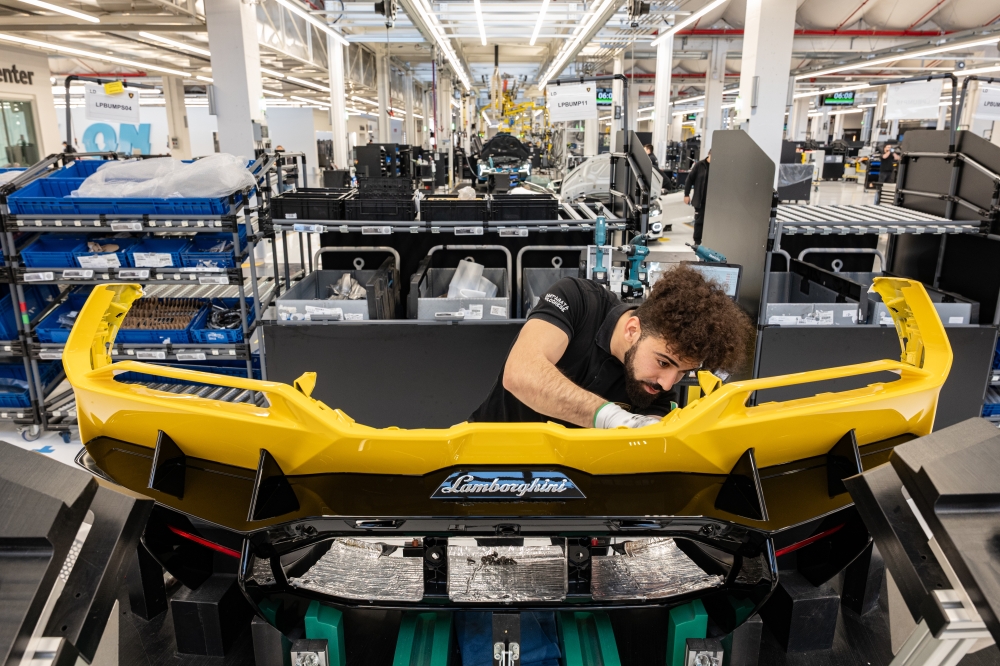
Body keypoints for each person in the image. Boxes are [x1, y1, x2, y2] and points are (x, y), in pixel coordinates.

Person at [470, 265, 753, 428]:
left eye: (683, 372)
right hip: (493, 456)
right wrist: (613, 418)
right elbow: (521, 372)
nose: (668, 384)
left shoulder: (657, 383)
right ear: (633, 330)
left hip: (573, 479)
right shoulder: (577, 299)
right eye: (664, 363)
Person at [684, 149, 710, 245]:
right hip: (700, 199)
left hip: (712, 201)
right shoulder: (699, 165)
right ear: (709, 154)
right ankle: (697, 242)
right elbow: (689, 180)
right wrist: (686, 194)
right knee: (699, 221)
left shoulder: (717, 166)